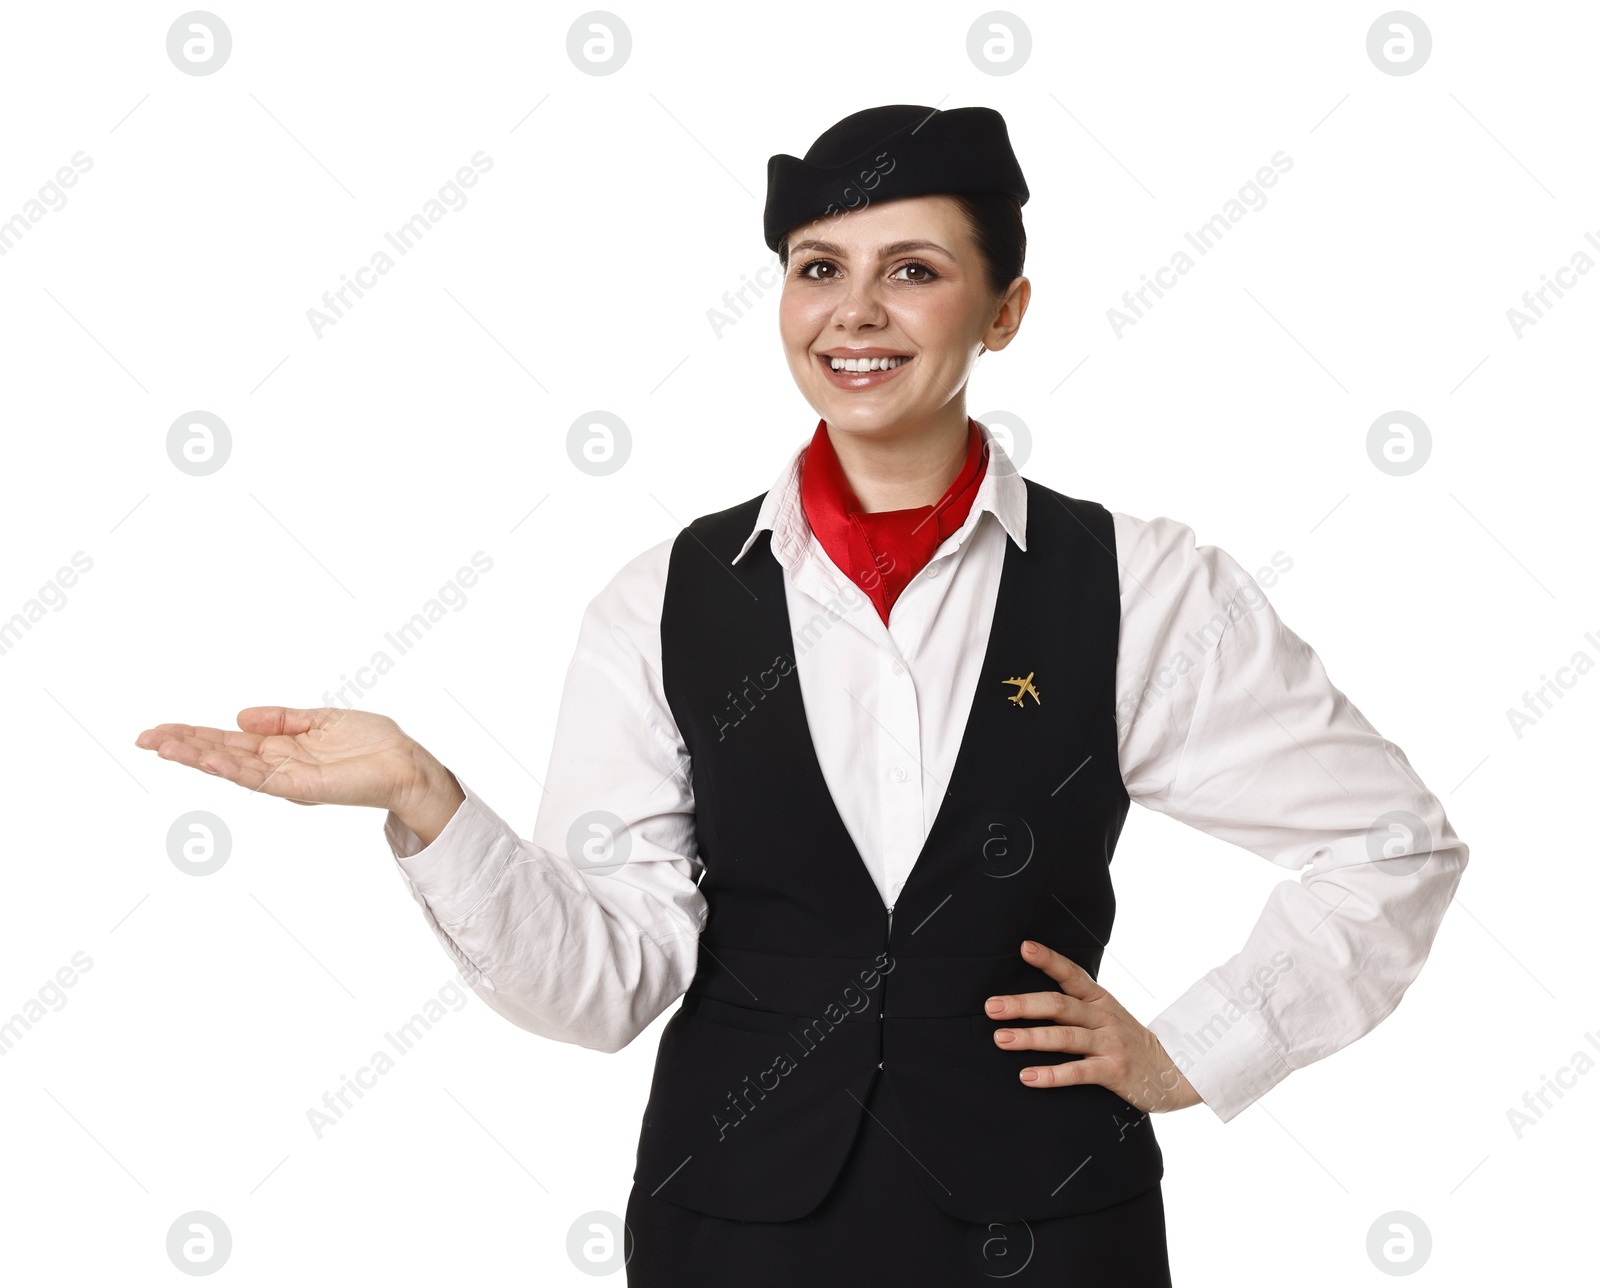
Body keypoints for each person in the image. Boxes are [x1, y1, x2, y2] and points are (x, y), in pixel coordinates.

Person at [135, 105, 1469, 1286]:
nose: (856, 312)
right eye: (818, 270)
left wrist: (1200, 1048)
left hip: (1053, 1233)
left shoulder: (1144, 587)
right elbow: (606, 986)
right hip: (735, 1232)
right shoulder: (661, 599)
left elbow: (1391, 844)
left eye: (916, 272)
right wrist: (428, 802)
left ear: (1004, 310)